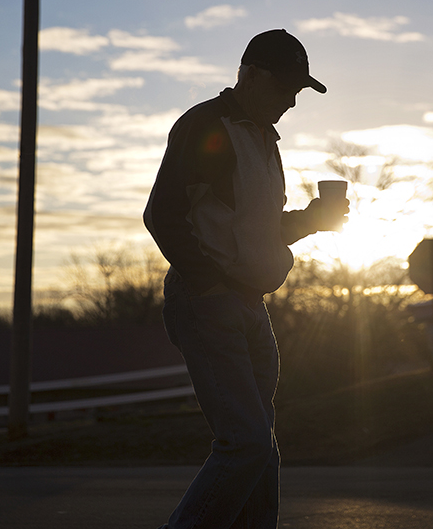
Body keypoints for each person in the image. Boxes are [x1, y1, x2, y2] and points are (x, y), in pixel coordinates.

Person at [144, 29, 348, 528]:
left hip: (250, 305)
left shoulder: (263, 139)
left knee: (262, 451)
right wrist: (209, 284)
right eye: (286, 89)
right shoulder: (207, 126)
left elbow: (259, 232)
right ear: (249, 75)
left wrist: (312, 220)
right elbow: (161, 214)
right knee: (246, 445)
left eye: (298, 93)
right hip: (209, 303)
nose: (292, 103)